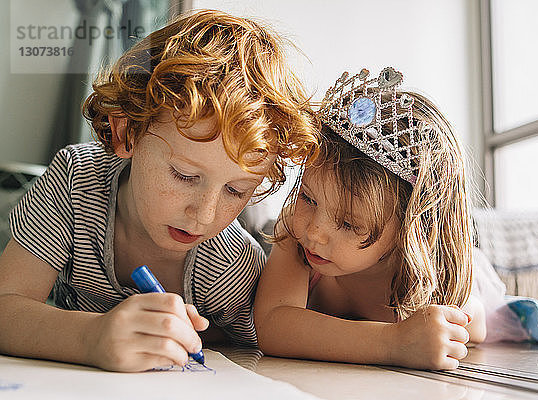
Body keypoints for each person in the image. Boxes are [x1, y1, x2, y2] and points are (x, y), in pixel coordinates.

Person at [0, 9, 319, 372]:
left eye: (236, 190)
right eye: (184, 175)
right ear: (127, 132)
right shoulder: (74, 182)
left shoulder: (228, 265)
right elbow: (6, 304)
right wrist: (92, 337)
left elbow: (264, 352)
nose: (205, 215)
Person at [254, 67, 486, 371]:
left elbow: (476, 328)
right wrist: (392, 342)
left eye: (348, 223)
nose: (314, 232)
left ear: (410, 230)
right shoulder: (294, 233)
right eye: (308, 198)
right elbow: (273, 324)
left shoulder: (431, 266)